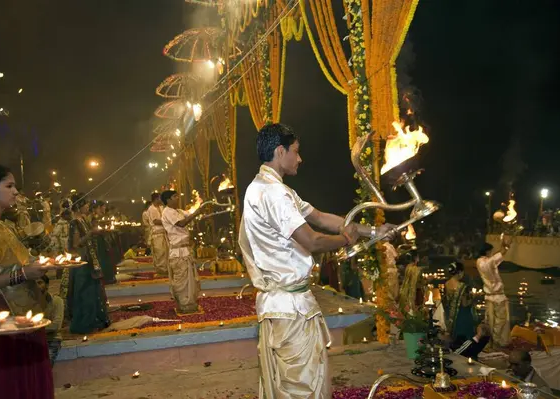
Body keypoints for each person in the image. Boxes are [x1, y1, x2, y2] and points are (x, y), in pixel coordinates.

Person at [239, 123, 396, 398]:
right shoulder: (273, 193)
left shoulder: (270, 188)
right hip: (290, 309)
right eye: (296, 152)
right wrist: (347, 240)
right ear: (280, 151)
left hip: (286, 305)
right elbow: (311, 240)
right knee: (302, 388)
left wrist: (372, 231)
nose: (300, 159)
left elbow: (321, 218)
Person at [0, 163, 54, 398]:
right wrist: (22, 275)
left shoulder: (5, 226)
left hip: (24, 312)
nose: (16, 191)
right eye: (9, 185)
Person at [62, 194, 110, 334]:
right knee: (84, 293)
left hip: (90, 259)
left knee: (93, 291)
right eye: (85, 204)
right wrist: (91, 233)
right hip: (82, 262)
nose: (88, 206)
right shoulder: (74, 222)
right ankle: (84, 322)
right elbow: (77, 244)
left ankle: (94, 318)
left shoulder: (83, 220)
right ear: (78, 205)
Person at [161, 190, 207, 313]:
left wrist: (200, 207)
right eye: (175, 196)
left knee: (190, 279)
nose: (178, 198)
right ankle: (184, 305)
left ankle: (190, 304)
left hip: (185, 251)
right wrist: (197, 213)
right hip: (178, 252)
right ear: (168, 200)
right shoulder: (167, 212)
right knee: (182, 280)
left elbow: (189, 214)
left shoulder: (178, 211)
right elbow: (182, 223)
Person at [476, 238, 511, 348]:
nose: (491, 253)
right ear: (487, 252)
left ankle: (490, 342)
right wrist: (505, 247)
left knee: (490, 320)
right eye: (490, 251)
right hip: (498, 297)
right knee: (500, 321)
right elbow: (496, 257)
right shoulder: (488, 262)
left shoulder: (479, 261)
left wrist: (501, 248)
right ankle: (497, 342)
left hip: (489, 297)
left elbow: (493, 259)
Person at [443, 261, 476, 340]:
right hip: (462, 316)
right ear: (460, 272)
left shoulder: (446, 284)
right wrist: (473, 297)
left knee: (454, 339)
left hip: (450, 315)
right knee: (464, 340)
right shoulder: (463, 286)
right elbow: (465, 303)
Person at [36, 275, 64, 366]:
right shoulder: (29, 304)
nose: (36, 286)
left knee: (45, 366)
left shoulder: (57, 301)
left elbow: (56, 326)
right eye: (34, 284)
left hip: (51, 341)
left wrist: (34, 329)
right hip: (34, 341)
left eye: (39, 283)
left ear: (47, 285)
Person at [148, 193, 169, 276]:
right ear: (156, 199)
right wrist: (168, 222)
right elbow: (156, 221)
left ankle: (166, 270)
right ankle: (160, 271)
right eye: (160, 198)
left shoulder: (161, 207)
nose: (161, 200)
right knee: (159, 253)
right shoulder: (151, 209)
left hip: (164, 233)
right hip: (157, 234)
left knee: (166, 252)